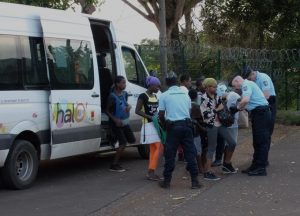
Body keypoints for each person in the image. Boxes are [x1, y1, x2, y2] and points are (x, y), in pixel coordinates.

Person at [158, 72, 201, 189]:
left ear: (166, 83)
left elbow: (161, 115)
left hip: (173, 128)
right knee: (190, 154)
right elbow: (189, 111)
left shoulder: (164, 95)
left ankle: (166, 182)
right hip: (187, 126)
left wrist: (164, 125)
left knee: (170, 155)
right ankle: (195, 182)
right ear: (177, 81)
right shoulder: (185, 94)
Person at [231, 75, 271, 176]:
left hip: (261, 113)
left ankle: (261, 168)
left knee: (261, 141)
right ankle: (255, 165)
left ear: (237, 81)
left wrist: (237, 108)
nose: (236, 88)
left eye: (234, 85)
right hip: (260, 113)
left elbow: (245, 100)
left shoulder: (246, 85)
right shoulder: (249, 84)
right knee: (257, 141)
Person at [200, 78, 239, 180]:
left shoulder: (216, 96)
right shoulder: (204, 99)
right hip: (211, 125)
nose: (216, 88)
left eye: (216, 86)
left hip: (220, 123)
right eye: (214, 86)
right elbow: (206, 115)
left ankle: (226, 164)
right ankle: (207, 171)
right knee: (212, 147)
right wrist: (217, 109)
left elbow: (221, 106)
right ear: (208, 87)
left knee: (232, 142)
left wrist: (218, 108)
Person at [243, 67, 276, 164]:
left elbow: (266, 96)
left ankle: (263, 160)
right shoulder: (253, 80)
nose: (249, 81)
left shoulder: (263, 78)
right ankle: (260, 159)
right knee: (259, 135)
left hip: (268, 103)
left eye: (249, 78)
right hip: (260, 107)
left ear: (253, 73)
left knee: (266, 133)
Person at [106, 76, 136, 172]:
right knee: (123, 143)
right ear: (117, 84)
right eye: (123, 83)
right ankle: (114, 165)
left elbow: (124, 104)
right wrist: (115, 120)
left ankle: (114, 139)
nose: (124, 85)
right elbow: (106, 110)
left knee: (132, 140)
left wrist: (128, 106)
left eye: (125, 83)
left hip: (125, 122)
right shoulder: (112, 97)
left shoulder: (124, 94)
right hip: (116, 123)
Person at [136, 76, 163, 181]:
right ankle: (151, 171)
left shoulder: (155, 96)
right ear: (151, 85)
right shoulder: (143, 96)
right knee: (159, 147)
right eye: (157, 86)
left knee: (153, 149)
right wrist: (150, 117)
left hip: (155, 125)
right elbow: (137, 111)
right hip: (148, 125)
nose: (158, 88)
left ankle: (151, 171)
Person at [212, 84, 241, 174]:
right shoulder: (236, 95)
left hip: (222, 122)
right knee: (232, 143)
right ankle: (227, 164)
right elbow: (242, 104)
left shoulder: (217, 96)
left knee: (227, 143)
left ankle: (225, 163)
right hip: (231, 123)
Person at [189, 89, 206, 173]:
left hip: (188, 130)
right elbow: (199, 120)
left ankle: (190, 166)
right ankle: (200, 168)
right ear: (196, 97)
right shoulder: (196, 107)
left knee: (190, 149)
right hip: (195, 131)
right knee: (198, 150)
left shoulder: (186, 105)